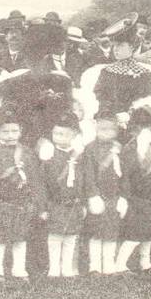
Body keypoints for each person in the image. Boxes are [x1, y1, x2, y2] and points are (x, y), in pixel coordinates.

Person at [0, 109, 45, 282]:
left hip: (23, 203)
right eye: (5, 131)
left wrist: (40, 205)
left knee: (21, 237)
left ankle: (19, 269)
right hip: (1, 203)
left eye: (14, 131)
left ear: (21, 131)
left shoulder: (27, 153)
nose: (10, 135)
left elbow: (36, 180)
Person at [114, 106, 151, 274]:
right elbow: (125, 176)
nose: (147, 133)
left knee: (148, 234)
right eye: (142, 129)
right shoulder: (129, 150)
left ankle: (146, 262)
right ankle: (120, 264)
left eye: (149, 130)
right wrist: (125, 198)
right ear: (135, 131)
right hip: (137, 199)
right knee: (134, 235)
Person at [40, 112, 86, 278]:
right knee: (55, 236)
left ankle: (66, 268)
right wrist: (44, 207)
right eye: (56, 133)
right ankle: (54, 268)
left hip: (73, 203)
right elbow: (42, 184)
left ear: (73, 135)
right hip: (56, 203)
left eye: (64, 134)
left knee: (71, 237)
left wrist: (84, 203)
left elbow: (84, 181)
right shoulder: (49, 156)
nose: (59, 137)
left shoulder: (80, 156)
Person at [79, 109, 125, 275]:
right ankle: (95, 265)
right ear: (96, 129)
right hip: (98, 196)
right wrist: (93, 195)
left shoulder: (119, 148)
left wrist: (123, 197)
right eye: (102, 129)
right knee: (96, 232)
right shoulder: (90, 149)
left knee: (111, 232)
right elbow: (88, 175)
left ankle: (109, 264)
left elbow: (124, 175)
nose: (107, 133)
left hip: (114, 196)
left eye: (111, 129)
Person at [93, 14, 151, 124]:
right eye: (115, 46)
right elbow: (100, 97)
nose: (116, 50)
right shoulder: (107, 71)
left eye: (121, 46)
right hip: (109, 120)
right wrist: (110, 115)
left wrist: (129, 115)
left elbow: (148, 101)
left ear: (131, 47)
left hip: (135, 122)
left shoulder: (144, 73)